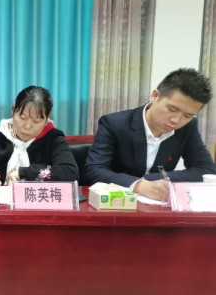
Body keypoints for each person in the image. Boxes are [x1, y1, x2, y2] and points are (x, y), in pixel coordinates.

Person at [83, 68, 216, 200]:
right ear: (155, 96)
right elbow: (94, 170)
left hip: (159, 206)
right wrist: (138, 185)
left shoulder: (188, 127)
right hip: (115, 203)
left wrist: (153, 180)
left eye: (187, 116)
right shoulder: (114, 123)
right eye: (172, 109)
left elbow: (207, 170)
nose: (176, 120)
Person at [0, 86, 79, 185]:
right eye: (22, 117)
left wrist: (23, 173)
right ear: (13, 111)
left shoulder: (53, 138)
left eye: (36, 121)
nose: (27, 126)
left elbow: (70, 172)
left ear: (46, 120)